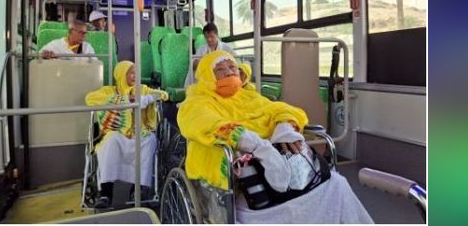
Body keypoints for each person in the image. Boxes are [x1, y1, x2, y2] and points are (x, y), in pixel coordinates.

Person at [178, 51, 373, 223]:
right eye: (220, 70)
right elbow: (202, 121)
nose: (229, 72)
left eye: (232, 67)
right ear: (207, 77)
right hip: (241, 176)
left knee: (337, 184)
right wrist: (251, 143)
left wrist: (284, 130)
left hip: (282, 166)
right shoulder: (198, 100)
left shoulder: (250, 96)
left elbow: (280, 110)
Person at [85, 61, 169, 209]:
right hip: (116, 133)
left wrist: (152, 97)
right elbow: (90, 99)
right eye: (130, 72)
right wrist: (127, 100)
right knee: (111, 141)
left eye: (136, 72)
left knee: (149, 140)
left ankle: (138, 190)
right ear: (121, 75)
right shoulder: (109, 91)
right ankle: (106, 193)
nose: (134, 76)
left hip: (139, 132)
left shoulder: (142, 89)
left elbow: (163, 94)